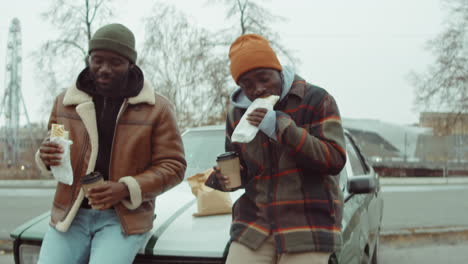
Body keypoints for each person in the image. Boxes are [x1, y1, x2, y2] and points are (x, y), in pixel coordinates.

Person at [36, 23, 186, 264]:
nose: (104, 69)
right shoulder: (64, 102)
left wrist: (126, 188)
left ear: (131, 65)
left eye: (115, 62)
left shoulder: (157, 108)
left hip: (123, 218)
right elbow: (53, 147)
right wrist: (45, 156)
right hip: (70, 215)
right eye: (97, 60)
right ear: (89, 59)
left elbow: (173, 166)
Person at [206, 34, 347, 264]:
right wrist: (224, 178)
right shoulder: (237, 113)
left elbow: (335, 160)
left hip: (308, 222)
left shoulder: (316, 99)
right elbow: (244, 172)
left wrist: (281, 127)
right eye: (247, 85)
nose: (258, 89)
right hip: (255, 223)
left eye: (264, 78)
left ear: (278, 70)